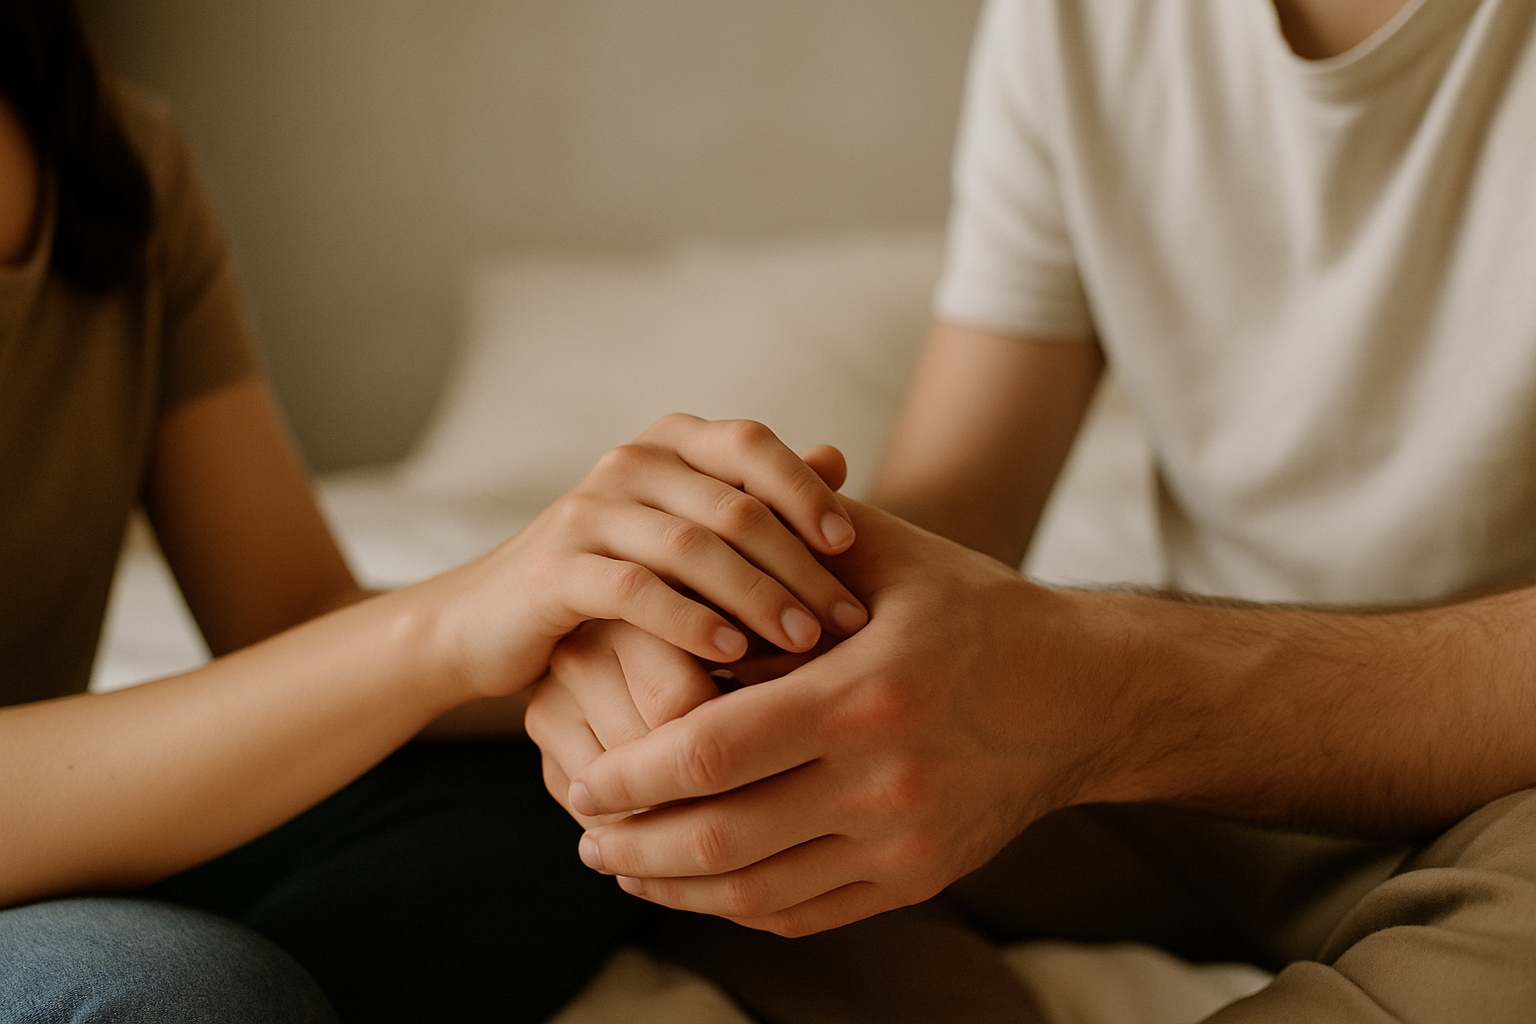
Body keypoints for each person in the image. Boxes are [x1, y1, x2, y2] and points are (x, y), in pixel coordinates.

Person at [526, 0, 1536, 1020]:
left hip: (1505, 777)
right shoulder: (1074, 20)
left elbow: (1091, 679)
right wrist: (726, 641)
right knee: (707, 816)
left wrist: (1103, 682)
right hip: (1188, 775)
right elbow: (958, 505)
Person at [0, 3, 871, 1021]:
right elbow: (393, 649)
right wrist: (452, 624)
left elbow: (293, 615)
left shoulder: (114, 158)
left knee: (581, 791)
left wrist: (632, 620)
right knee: (180, 992)